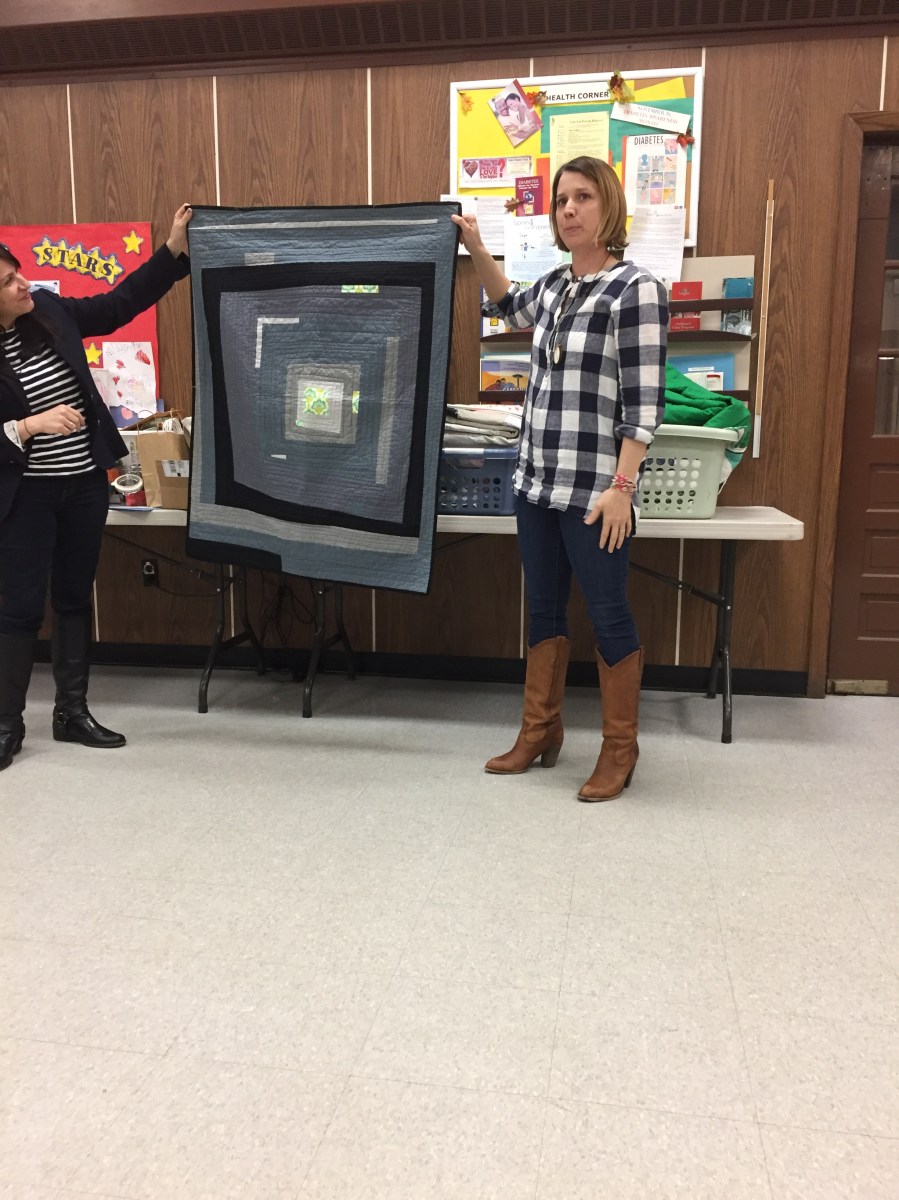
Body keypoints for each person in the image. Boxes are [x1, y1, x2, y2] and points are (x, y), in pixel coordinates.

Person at [452, 157, 667, 801]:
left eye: (583, 197)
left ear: (610, 207)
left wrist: (623, 489)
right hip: (536, 484)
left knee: (607, 612)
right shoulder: (553, 287)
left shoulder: (635, 290)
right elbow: (505, 302)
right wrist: (477, 248)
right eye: (561, 200)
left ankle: (620, 749)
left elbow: (644, 403)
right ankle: (540, 730)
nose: (569, 209)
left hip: (595, 492)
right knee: (542, 608)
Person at [0, 204, 193, 771]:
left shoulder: (50, 310)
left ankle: (72, 713)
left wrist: (172, 251)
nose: (23, 283)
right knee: (18, 610)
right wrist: (27, 426)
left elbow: (117, 305)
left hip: (83, 484)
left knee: (73, 597)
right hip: (24, 497)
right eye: (7, 282)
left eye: (17, 272)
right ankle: (6, 725)